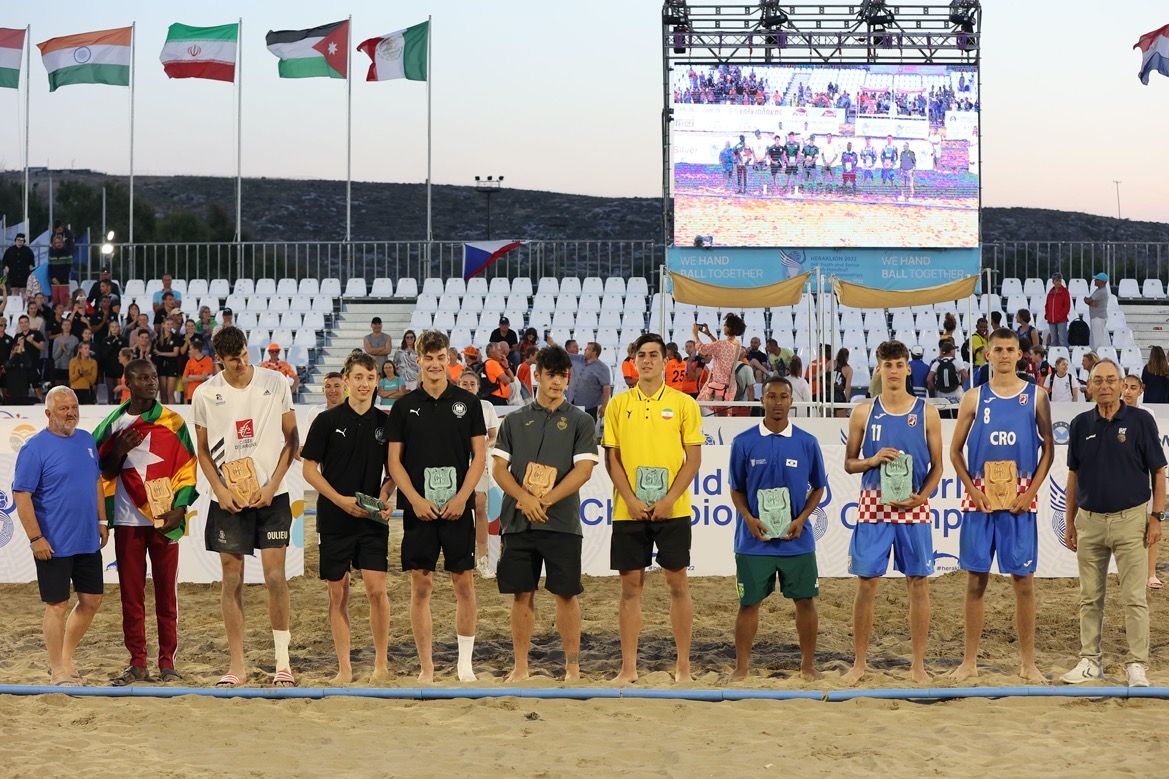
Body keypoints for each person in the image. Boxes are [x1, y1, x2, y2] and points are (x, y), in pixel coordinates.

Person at [192, 326, 299, 688]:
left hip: (272, 494)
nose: (241, 362)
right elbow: (203, 452)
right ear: (219, 359)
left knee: (274, 577)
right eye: (232, 358)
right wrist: (220, 491)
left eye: (243, 354)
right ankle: (237, 665)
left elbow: (292, 439)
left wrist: (272, 485)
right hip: (229, 498)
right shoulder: (206, 393)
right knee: (232, 579)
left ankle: (283, 663)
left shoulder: (276, 382)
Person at [949, 328, 1054, 683]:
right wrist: (972, 490)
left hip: (1019, 502)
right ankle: (969, 661)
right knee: (976, 581)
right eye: (999, 349)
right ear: (987, 355)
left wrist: (1031, 492)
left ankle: (1028, 663)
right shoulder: (973, 398)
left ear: (1020, 354)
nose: (1005, 355)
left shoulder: (1037, 396)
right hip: (980, 502)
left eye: (1011, 349)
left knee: (1023, 582)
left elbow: (1049, 450)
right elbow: (954, 451)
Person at [492, 346, 599, 681]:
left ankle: (572, 668)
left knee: (566, 593)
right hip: (518, 521)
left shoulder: (581, 420)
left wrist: (544, 500)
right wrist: (525, 498)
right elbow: (498, 469)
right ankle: (521, 667)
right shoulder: (513, 420)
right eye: (551, 374)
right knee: (522, 594)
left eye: (563, 375)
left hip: (561, 522)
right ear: (537, 376)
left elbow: (583, 471)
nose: (557, 381)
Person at [385, 330, 487, 682]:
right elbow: (394, 462)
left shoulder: (468, 403)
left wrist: (462, 497)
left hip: (458, 508)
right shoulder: (402, 407)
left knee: (464, 584)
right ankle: (426, 666)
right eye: (427, 358)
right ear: (418, 360)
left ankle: (464, 664)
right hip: (420, 509)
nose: (434, 363)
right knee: (421, 585)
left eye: (440, 357)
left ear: (448, 359)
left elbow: (479, 457)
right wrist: (414, 499)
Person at [602, 332, 703, 683]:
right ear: (633, 360)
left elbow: (693, 460)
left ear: (665, 361)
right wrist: (630, 499)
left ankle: (684, 668)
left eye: (653, 355)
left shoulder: (684, 404)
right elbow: (611, 459)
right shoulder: (618, 404)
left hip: (672, 510)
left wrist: (669, 499)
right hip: (627, 509)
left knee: (678, 585)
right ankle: (628, 669)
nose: (646, 360)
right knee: (630, 589)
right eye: (641, 355)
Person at [842, 340, 943, 685]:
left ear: (907, 368)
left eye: (900, 364)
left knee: (918, 583)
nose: (895, 371)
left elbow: (938, 466)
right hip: (874, 505)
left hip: (913, 506)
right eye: (889, 365)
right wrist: (872, 460)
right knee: (867, 583)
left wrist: (923, 497)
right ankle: (859, 663)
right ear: (879, 369)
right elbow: (849, 463)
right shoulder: (863, 412)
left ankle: (917, 665)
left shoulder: (926, 412)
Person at [1060, 359, 1164, 688]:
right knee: (1089, 597)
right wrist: (1070, 520)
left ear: (1122, 385)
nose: (1104, 385)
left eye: (1111, 379)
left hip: (1131, 520)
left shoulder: (1141, 421)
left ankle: (1137, 664)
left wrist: (1156, 516)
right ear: (1088, 387)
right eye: (1097, 380)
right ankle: (1090, 660)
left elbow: (1158, 472)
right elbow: (1073, 475)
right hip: (1089, 522)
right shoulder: (1079, 424)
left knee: (1134, 597)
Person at [93, 360, 197, 686]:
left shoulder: (173, 421)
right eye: (143, 378)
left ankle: (168, 662)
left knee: (167, 595)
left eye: (154, 377)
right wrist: (120, 451)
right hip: (126, 522)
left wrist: (181, 508)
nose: (152, 383)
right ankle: (138, 662)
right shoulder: (114, 424)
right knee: (131, 596)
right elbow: (102, 470)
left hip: (164, 519)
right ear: (128, 382)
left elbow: (188, 467)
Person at [301, 352, 395, 684]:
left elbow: (394, 472)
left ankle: (381, 663)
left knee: (376, 589)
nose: (364, 384)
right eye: (358, 377)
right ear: (346, 379)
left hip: (371, 519)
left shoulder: (386, 424)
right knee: (337, 592)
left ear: (376, 382)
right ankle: (345, 667)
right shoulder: (326, 422)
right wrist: (339, 500)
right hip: (334, 517)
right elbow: (309, 469)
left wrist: (384, 497)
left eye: (370, 378)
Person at [728, 377, 827, 681]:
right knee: (749, 603)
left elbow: (819, 487)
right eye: (771, 396)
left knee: (805, 601)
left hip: (796, 540)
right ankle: (742, 668)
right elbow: (736, 489)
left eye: (783, 397)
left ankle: (808, 666)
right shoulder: (743, 441)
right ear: (762, 399)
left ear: (791, 401)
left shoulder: (807, 442)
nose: (778, 402)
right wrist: (748, 518)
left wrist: (802, 519)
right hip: (753, 541)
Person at [13, 387, 107, 685]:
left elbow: (96, 482)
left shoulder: (87, 440)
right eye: (64, 408)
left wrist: (102, 520)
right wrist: (35, 538)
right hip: (52, 543)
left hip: (86, 540)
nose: (71, 412)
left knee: (91, 600)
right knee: (57, 605)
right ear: (48, 413)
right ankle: (57, 670)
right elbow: (22, 495)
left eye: (74, 406)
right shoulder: (35, 448)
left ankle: (67, 658)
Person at [456, 370, 501, 578]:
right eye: (464, 383)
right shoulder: (451, 407)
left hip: (479, 462)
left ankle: (482, 559)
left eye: (471, 384)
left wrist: (482, 447)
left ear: (478, 386)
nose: (468, 387)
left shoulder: (486, 407)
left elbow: (493, 436)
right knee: (456, 509)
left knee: (480, 506)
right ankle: (459, 557)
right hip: (456, 462)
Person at [1119, 376, 1162, 591]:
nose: (1127, 391)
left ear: (1141, 391)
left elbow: (1153, 451)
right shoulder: (1111, 412)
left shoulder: (1148, 415)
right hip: (1120, 478)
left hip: (1143, 475)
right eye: (1125, 387)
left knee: (1150, 524)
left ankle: (1151, 573)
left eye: (1132, 388)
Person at [694, 313, 747, 411]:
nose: (723, 326)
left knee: (704, 412)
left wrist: (695, 335)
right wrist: (709, 335)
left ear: (730, 328)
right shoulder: (737, 344)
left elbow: (702, 349)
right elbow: (719, 348)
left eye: (725, 325)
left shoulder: (721, 344)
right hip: (728, 386)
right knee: (723, 414)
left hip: (716, 387)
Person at [181, 336, 215, 403]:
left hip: (203, 393)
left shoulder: (208, 360)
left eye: (190, 349)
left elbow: (203, 377)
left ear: (196, 350)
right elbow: (184, 379)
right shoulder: (189, 361)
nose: (189, 351)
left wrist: (190, 376)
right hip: (191, 394)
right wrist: (198, 377)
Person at [3, 232, 35, 300]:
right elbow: (4, 261)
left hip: (24, 276)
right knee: (14, 292)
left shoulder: (28, 251)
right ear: (15, 240)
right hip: (13, 276)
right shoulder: (9, 250)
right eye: (18, 240)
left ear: (24, 241)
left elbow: (32, 262)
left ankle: (24, 308)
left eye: (21, 240)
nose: (20, 242)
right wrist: (6, 267)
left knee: (24, 292)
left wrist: (30, 269)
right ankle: (15, 308)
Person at [482, 341, 514, 407]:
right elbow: (507, 381)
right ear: (492, 352)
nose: (502, 353)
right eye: (499, 350)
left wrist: (506, 366)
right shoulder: (493, 363)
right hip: (496, 399)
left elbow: (512, 379)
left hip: (496, 399)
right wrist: (508, 377)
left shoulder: (494, 363)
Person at [1084, 272, 1110, 351]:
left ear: (1102, 282)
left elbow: (1088, 300)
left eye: (1097, 279)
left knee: (1097, 341)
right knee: (1094, 340)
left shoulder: (1101, 291)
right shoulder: (1099, 290)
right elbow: (1090, 302)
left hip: (1098, 318)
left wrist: (1088, 301)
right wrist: (1090, 302)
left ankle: (1098, 356)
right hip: (1096, 318)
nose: (1094, 281)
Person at [47, 233, 73, 309]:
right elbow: (50, 267)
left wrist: (60, 279)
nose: (58, 244)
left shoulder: (67, 253)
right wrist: (53, 278)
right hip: (54, 281)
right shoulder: (51, 253)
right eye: (56, 243)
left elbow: (68, 268)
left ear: (63, 243)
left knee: (64, 300)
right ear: (54, 244)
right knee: (55, 301)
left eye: (59, 242)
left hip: (63, 281)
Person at [1045, 272, 1071, 347]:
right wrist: (1048, 315)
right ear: (1053, 282)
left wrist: (1060, 316)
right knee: (1053, 340)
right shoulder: (1050, 292)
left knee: (1062, 339)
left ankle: (1065, 356)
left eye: (1060, 281)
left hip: (1061, 320)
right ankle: (1054, 356)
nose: (1059, 282)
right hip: (1051, 320)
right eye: (1057, 281)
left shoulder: (1065, 292)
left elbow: (1067, 306)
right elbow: (1047, 305)